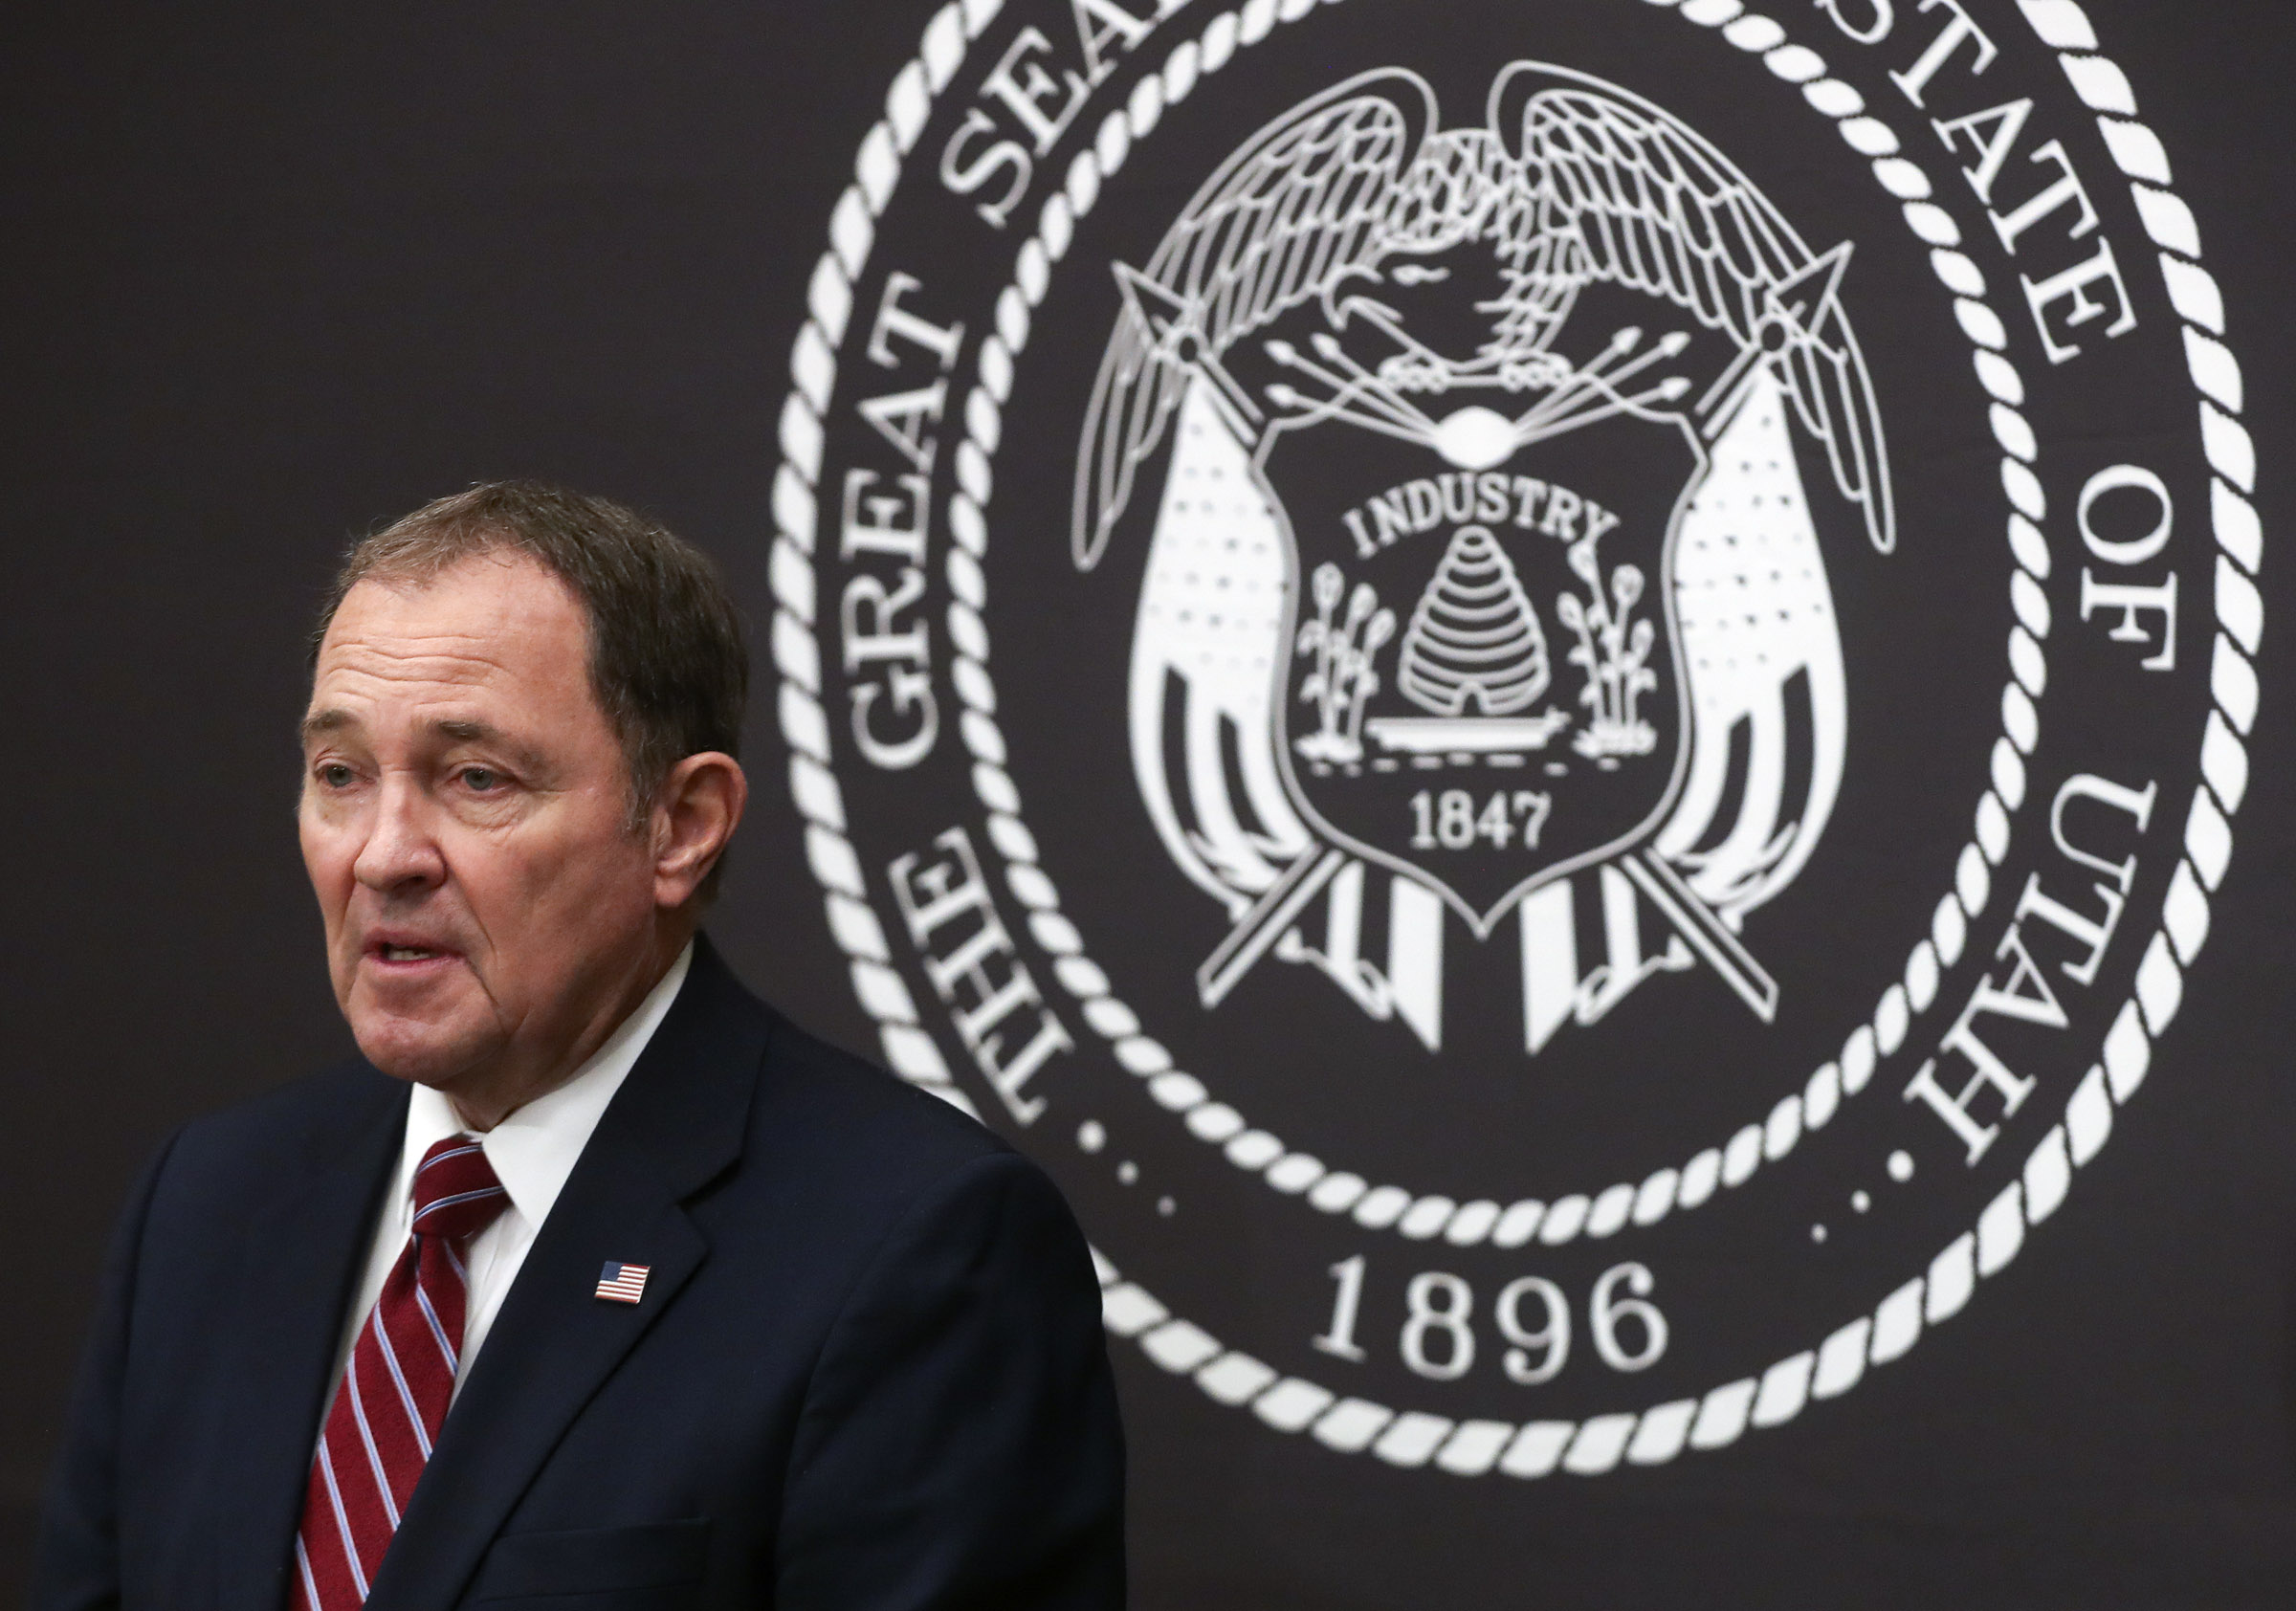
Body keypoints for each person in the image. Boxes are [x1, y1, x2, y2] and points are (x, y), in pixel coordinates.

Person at [35, 482, 1126, 1610]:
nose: (382, 855)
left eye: (476, 778)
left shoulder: (921, 1252)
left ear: (681, 826)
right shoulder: (209, 1203)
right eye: (341, 775)